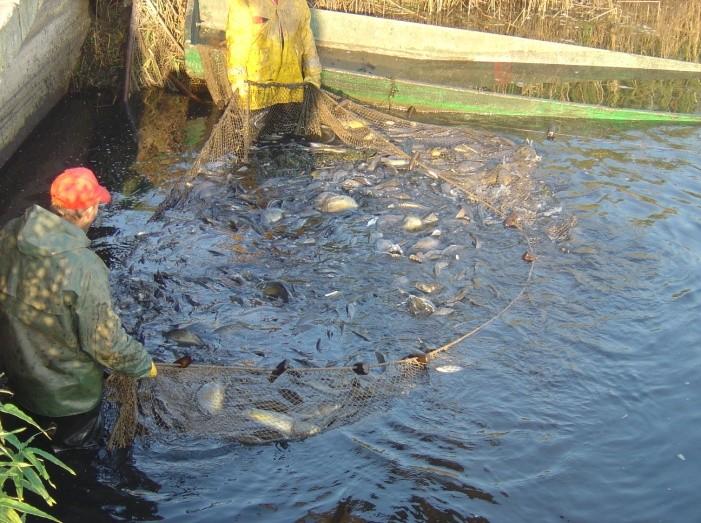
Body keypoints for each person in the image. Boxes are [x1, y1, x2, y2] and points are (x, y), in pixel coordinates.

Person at [0, 167, 157, 451]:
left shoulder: (11, 233)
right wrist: (142, 363)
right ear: (87, 212)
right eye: (97, 205)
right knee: (74, 454)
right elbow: (105, 344)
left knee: (28, 437)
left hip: (18, 375)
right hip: (70, 397)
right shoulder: (85, 268)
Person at [225, 0, 322, 112]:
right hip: (257, 96)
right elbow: (237, 49)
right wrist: (240, 87)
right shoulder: (243, 3)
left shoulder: (298, 3)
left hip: (291, 93)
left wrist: (313, 81)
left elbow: (308, 45)